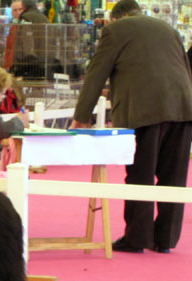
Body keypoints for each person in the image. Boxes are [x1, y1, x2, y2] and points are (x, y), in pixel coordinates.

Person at [71, 0, 192, 254]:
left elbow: (96, 73)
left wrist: (81, 116)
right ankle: (165, 240)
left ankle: (137, 239)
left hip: (143, 111)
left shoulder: (116, 30)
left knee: (141, 175)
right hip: (182, 109)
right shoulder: (167, 28)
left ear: (117, 17)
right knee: (175, 178)